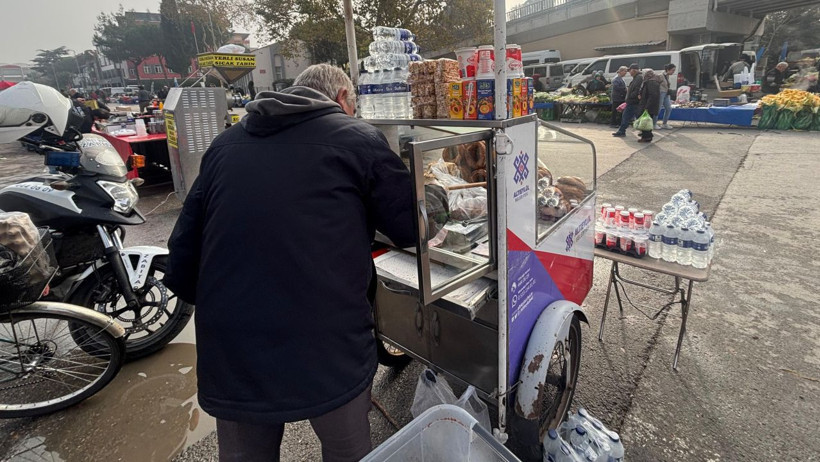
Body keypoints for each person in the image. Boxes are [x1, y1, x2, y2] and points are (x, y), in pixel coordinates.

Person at [164, 63, 416, 462]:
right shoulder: (358, 139)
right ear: (342, 99)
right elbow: (409, 228)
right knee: (347, 448)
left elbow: (183, 250)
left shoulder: (224, 144)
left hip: (233, 344)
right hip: (326, 340)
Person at [612, 63, 643, 137]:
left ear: (634, 70)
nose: (629, 72)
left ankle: (622, 131)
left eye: (630, 70)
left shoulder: (639, 78)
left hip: (633, 101)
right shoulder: (636, 77)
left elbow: (637, 90)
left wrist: (631, 96)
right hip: (632, 101)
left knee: (627, 116)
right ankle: (622, 131)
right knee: (633, 117)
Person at [637, 70, 661, 143]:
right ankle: (646, 136)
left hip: (648, 105)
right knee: (646, 121)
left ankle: (647, 137)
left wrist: (647, 107)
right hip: (648, 104)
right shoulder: (650, 81)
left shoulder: (651, 82)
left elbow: (652, 96)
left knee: (646, 122)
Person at [656, 63, 676, 130]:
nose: (673, 72)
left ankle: (664, 123)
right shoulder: (660, 75)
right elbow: (656, 84)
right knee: (658, 109)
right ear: (668, 69)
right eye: (672, 70)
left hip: (666, 93)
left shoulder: (667, 76)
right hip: (661, 93)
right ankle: (654, 123)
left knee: (668, 108)